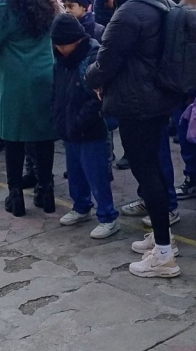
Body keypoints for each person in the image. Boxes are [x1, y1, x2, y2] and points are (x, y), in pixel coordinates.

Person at [86, 0, 186, 278]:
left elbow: (107, 59)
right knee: (155, 167)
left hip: (135, 102)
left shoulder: (130, 12)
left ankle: (162, 255)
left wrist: (92, 79)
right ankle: (163, 238)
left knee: (148, 173)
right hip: (157, 100)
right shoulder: (163, 3)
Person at [0, 0, 56, 217]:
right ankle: (46, 191)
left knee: (13, 139)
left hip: (14, 79)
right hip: (44, 74)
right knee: (43, 136)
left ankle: (16, 196)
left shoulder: (2, 7)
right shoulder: (47, 4)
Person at [51, 13, 119, 239]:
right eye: (57, 44)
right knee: (75, 173)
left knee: (96, 174)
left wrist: (81, 119)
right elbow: (57, 92)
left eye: (64, 44)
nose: (61, 49)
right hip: (69, 127)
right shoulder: (61, 61)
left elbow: (96, 99)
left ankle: (108, 216)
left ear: (77, 39)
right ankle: (80, 206)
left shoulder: (91, 58)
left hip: (90, 129)